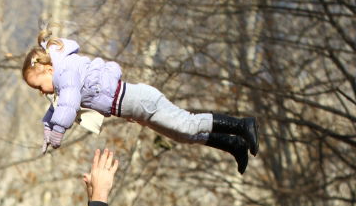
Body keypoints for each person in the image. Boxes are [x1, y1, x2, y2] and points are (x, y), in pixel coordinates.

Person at [22, 26, 259, 174]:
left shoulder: (67, 72)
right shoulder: (62, 78)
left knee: (188, 124)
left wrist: (59, 131)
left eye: (38, 86)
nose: (42, 92)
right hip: (137, 109)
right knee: (183, 135)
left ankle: (241, 126)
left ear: (46, 69)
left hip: (141, 101)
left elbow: (69, 103)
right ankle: (233, 144)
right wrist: (47, 128)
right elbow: (56, 108)